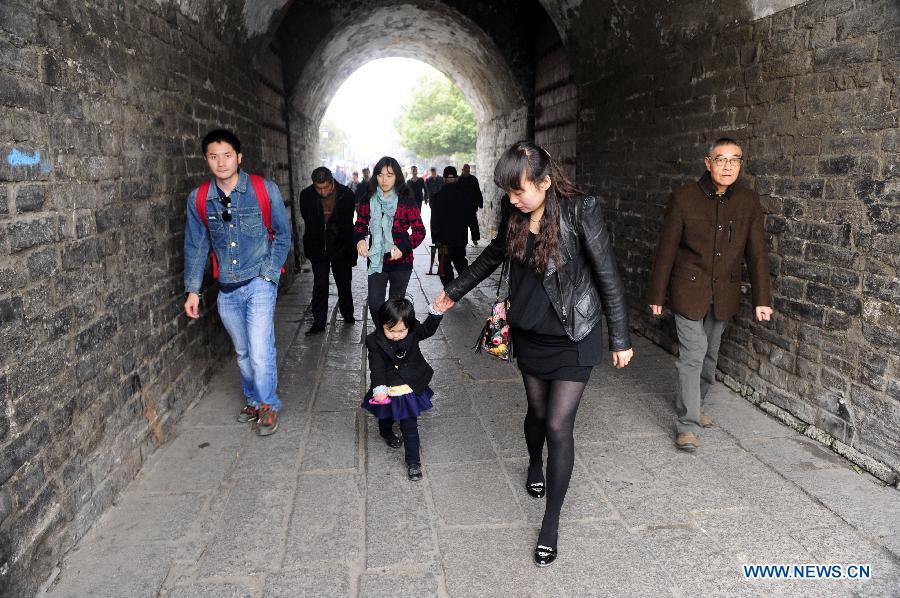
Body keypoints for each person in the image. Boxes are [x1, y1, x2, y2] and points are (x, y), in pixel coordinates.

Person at [435, 141, 633, 567]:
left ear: (545, 181)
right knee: (538, 414)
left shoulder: (582, 210)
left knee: (560, 424)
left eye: (519, 191)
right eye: (508, 192)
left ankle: (551, 522)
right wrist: (453, 291)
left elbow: (607, 274)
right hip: (530, 332)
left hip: (575, 333)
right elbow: (493, 254)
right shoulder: (516, 212)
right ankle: (533, 462)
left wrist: (620, 338)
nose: (513, 199)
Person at [647, 137, 773, 452]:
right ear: (708, 162)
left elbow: (757, 254)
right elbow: (666, 250)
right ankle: (686, 425)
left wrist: (762, 299)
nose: (728, 166)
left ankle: (695, 404)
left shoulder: (748, 201)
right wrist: (657, 295)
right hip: (688, 289)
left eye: (735, 160)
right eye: (721, 159)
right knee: (693, 352)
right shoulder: (684, 199)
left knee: (710, 355)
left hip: (724, 293)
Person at [183, 129, 292, 436]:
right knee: (243, 351)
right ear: (206, 160)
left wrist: (269, 274)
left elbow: (283, 235)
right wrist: (193, 290)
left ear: (239, 157)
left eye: (227, 155)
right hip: (227, 289)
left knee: (259, 348)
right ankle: (252, 400)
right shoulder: (200, 199)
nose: (221, 162)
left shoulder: (262, 189)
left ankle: (267, 404)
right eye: (214, 157)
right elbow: (196, 245)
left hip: (259, 282)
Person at [362, 298, 444, 480]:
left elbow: (428, 330)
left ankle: (413, 462)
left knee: (410, 426)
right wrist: (379, 388)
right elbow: (376, 367)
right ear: (382, 324)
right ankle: (386, 432)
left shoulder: (413, 332)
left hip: (408, 387)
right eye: (391, 331)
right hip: (388, 386)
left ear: (409, 326)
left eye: (402, 331)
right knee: (385, 413)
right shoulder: (374, 341)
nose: (397, 335)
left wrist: (436, 312)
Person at [354, 156, 426, 326]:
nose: (384, 180)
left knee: (395, 307)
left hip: (401, 261)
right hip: (376, 259)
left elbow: (419, 231)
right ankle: (382, 335)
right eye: (380, 175)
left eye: (389, 175)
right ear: (375, 176)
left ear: (397, 177)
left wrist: (403, 247)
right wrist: (359, 240)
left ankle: (392, 340)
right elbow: (360, 225)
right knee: (375, 304)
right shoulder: (368, 199)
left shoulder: (406, 201)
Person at [298, 166, 357, 335]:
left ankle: (348, 314)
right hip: (318, 248)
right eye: (319, 188)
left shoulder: (346, 195)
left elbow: (347, 226)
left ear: (332, 182)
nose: (323, 192)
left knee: (344, 283)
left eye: (326, 187)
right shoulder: (307, 196)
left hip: (341, 247)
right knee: (320, 285)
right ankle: (319, 322)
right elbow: (309, 222)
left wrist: (349, 250)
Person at [430, 166, 474, 285]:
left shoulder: (437, 197)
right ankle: (462, 286)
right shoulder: (464, 196)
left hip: (443, 238)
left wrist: (435, 238)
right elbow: (471, 216)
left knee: (444, 265)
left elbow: (434, 220)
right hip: (460, 237)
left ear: (444, 178)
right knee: (460, 262)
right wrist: (475, 234)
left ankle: (449, 290)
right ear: (456, 178)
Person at [459, 163, 484, 245]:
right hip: (461, 207)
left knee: (473, 224)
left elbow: (477, 191)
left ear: (469, 170)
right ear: (462, 170)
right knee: (462, 225)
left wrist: (480, 203)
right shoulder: (458, 180)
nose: (466, 171)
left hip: (471, 206)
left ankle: (475, 239)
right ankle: (463, 240)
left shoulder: (473, 179)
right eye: (465, 170)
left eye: (468, 170)